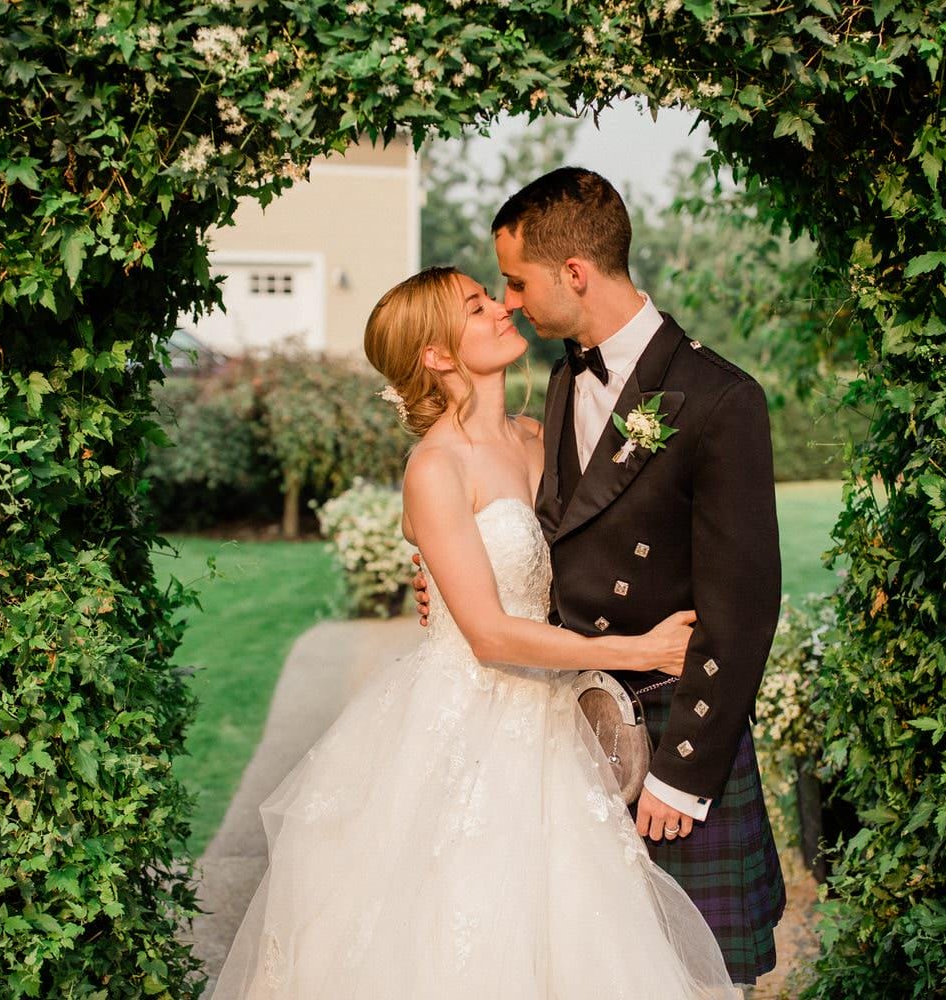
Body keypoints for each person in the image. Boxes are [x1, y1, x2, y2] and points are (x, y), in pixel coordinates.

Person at [210, 266, 738, 998]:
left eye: (493, 295)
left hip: (554, 723)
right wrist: (638, 650)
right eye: (478, 305)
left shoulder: (541, 436)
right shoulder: (435, 468)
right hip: (471, 725)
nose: (502, 308)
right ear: (436, 355)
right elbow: (489, 634)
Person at [413, 168, 786, 987]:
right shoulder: (557, 382)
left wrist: (684, 777)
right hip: (562, 733)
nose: (508, 302)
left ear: (573, 274)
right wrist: (453, 582)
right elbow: (554, 539)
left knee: (697, 976)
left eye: (515, 282)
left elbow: (744, 605)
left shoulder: (720, 399)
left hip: (665, 730)